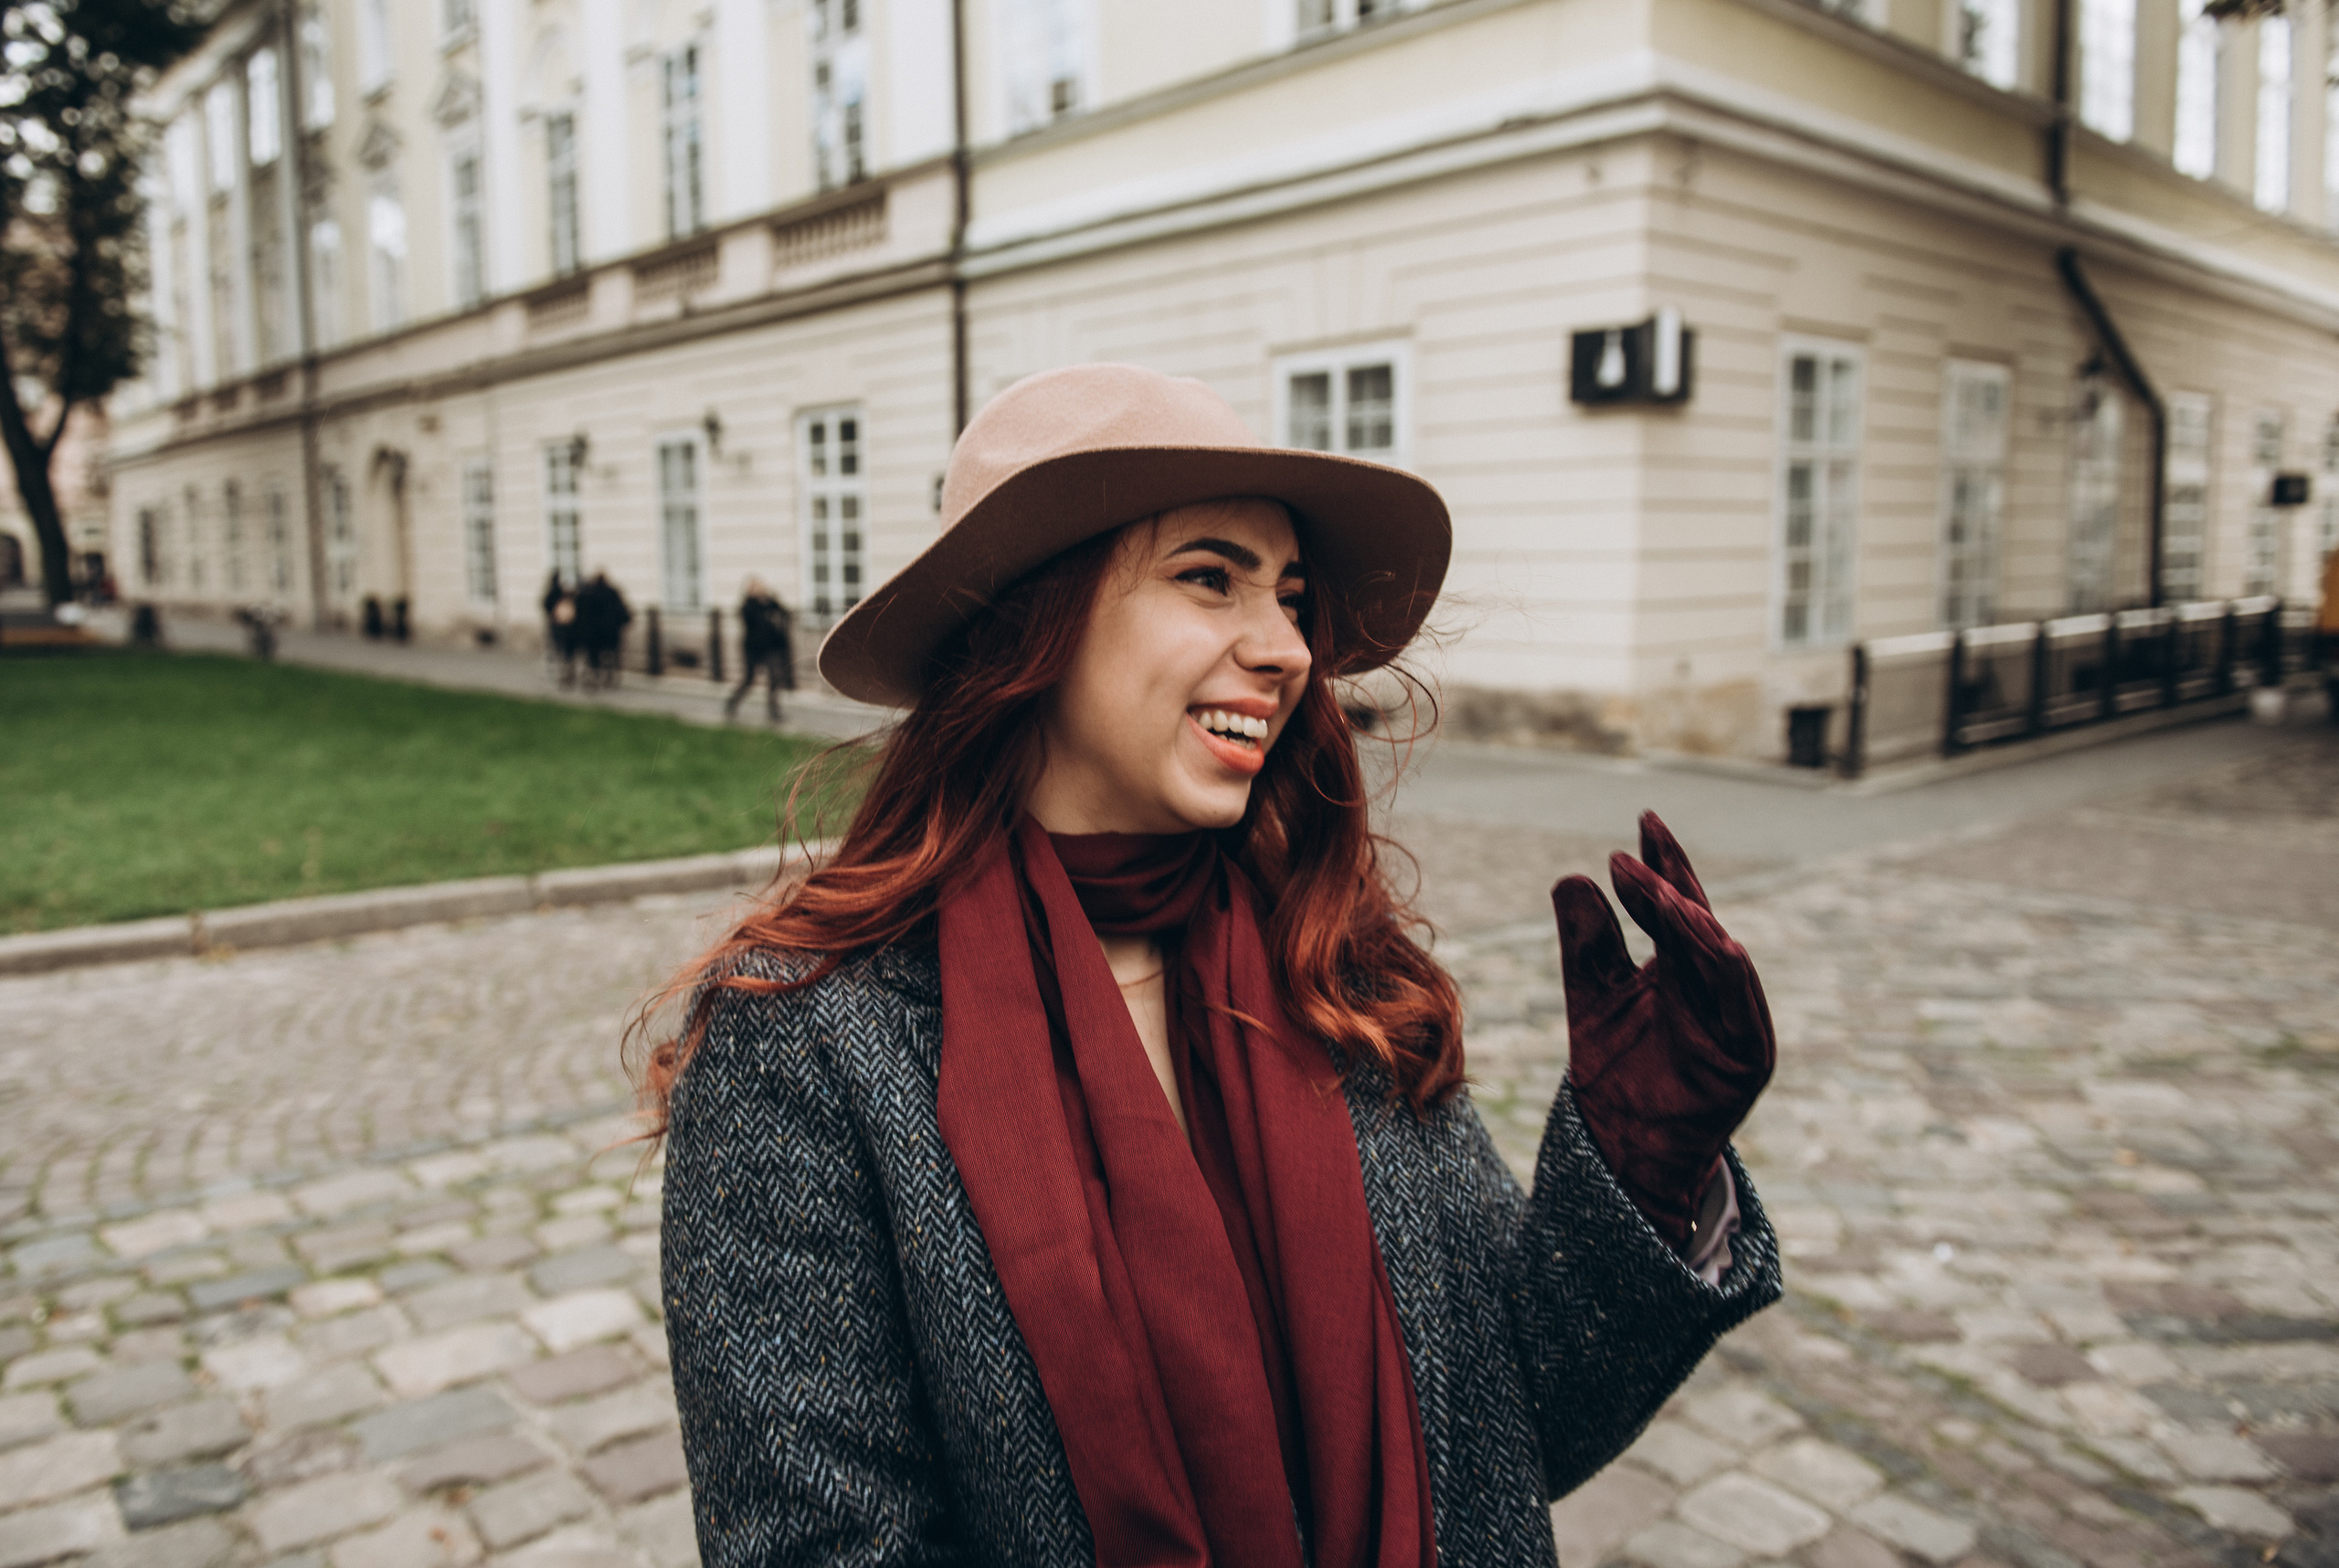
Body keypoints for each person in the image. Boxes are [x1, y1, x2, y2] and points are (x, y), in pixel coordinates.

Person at [641, 365, 1782, 1568]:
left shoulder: (1330, 964)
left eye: (1289, 595)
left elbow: (1511, 1430)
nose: (1287, 646)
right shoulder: (809, 1040)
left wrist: (1647, 1166)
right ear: (1039, 616)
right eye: (1208, 577)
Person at [723, 577, 796, 723]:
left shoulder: (768, 604)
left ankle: (774, 712)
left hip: (770, 648)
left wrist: (772, 600)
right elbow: (756, 623)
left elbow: (784, 612)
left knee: (774, 678)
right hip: (753, 649)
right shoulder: (747, 607)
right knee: (749, 680)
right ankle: (732, 702)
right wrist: (764, 605)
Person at [575, 569, 631, 691]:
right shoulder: (612, 593)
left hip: (593, 633)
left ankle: (595, 676)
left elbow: (581, 615)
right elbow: (622, 612)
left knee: (593, 656)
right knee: (611, 655)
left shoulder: (588, 594)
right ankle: (609, 676)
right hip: (610, 631)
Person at [541, 571, 578, 689]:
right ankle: (567, 673)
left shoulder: (553, 593)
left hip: (559, 627)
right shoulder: (565, 594)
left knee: (560, 651)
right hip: (568, 627)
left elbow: (546, 605)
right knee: (567, 652)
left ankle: (563, 674)